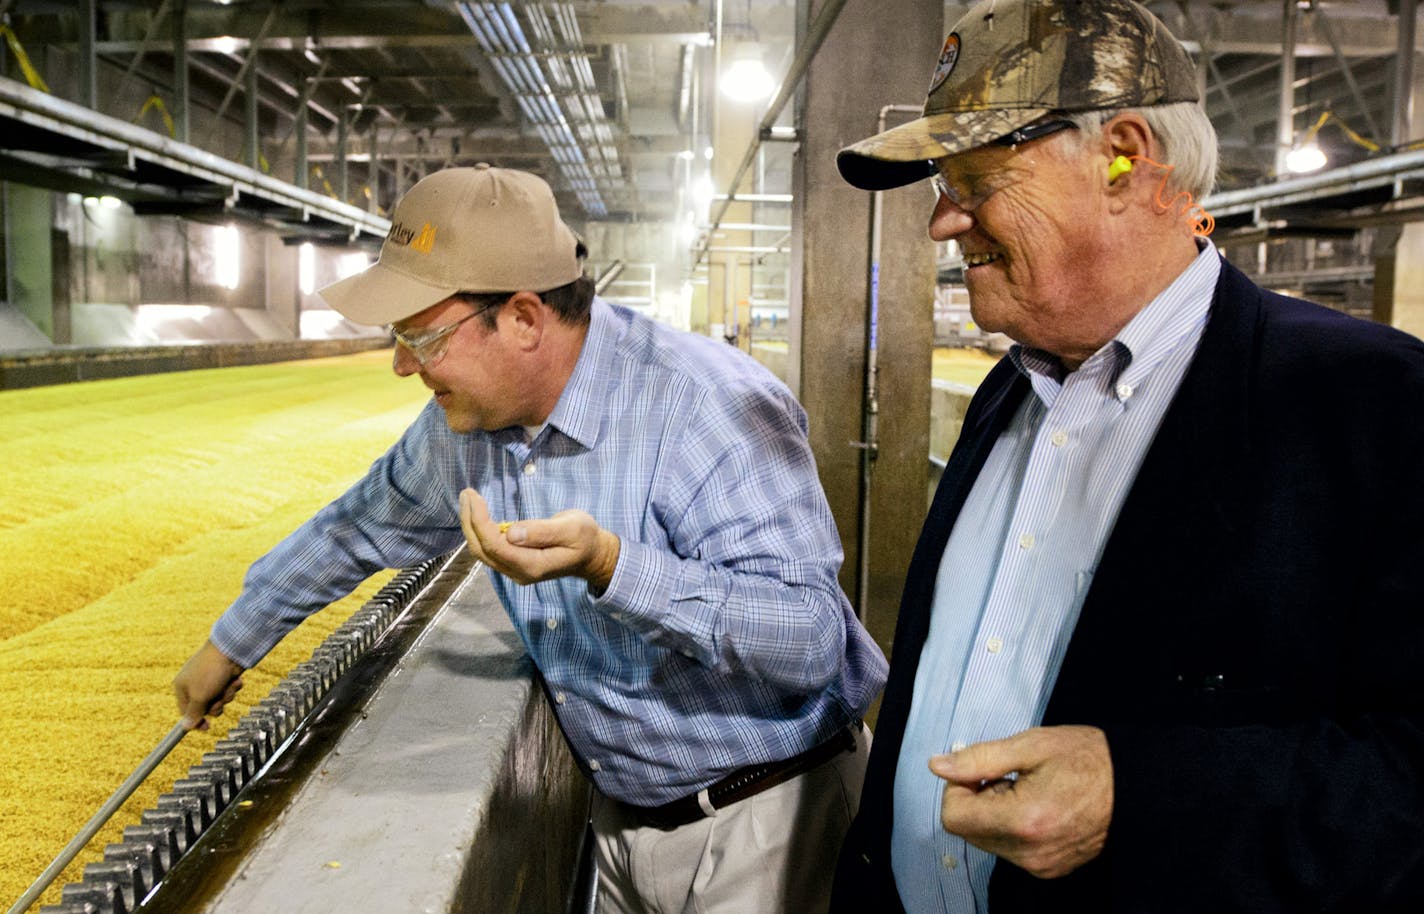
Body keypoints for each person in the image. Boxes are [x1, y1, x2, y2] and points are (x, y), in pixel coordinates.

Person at [829, 1, 1424, 911]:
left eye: (975, 180)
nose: (944, 225)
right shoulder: (1009, 391)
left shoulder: (1370, 404)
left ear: (1125, 156)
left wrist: (1139, 796)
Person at [172, 164, 887, 913]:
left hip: (767, 819)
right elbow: (360, 524)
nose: (401, 365)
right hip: (621, 820)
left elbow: (809, 637)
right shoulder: (466, 428)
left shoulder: (710, 406)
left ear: (520, 319)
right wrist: (233, 640)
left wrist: (614, 566)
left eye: (423, 336)